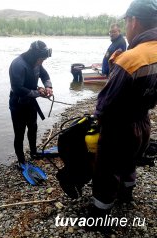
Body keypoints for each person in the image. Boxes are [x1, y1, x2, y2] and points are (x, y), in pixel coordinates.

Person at [87, 0, 157, 233]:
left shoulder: (131, 58)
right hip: (143, 122)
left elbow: (106, 104)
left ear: (133, 21)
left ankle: (99, 216)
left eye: (126, 23)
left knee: (105, 170)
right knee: (130, 162)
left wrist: (98, 118)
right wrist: (117, 64)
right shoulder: (144, 54)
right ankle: (126, 195)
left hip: (119, 128)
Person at [9, 40, 53, 168]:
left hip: (30, 103)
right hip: (18, 103)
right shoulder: (18, 64)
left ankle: (33, 152)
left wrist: (48, 86)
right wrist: (38, 92)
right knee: (19, 132)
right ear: (34, 55)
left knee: (33, 127)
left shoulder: (37, 62)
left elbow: (44, 75)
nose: (42, 62)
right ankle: (21, 160)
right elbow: (18, 88)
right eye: (41, 59)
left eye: (43, 60)